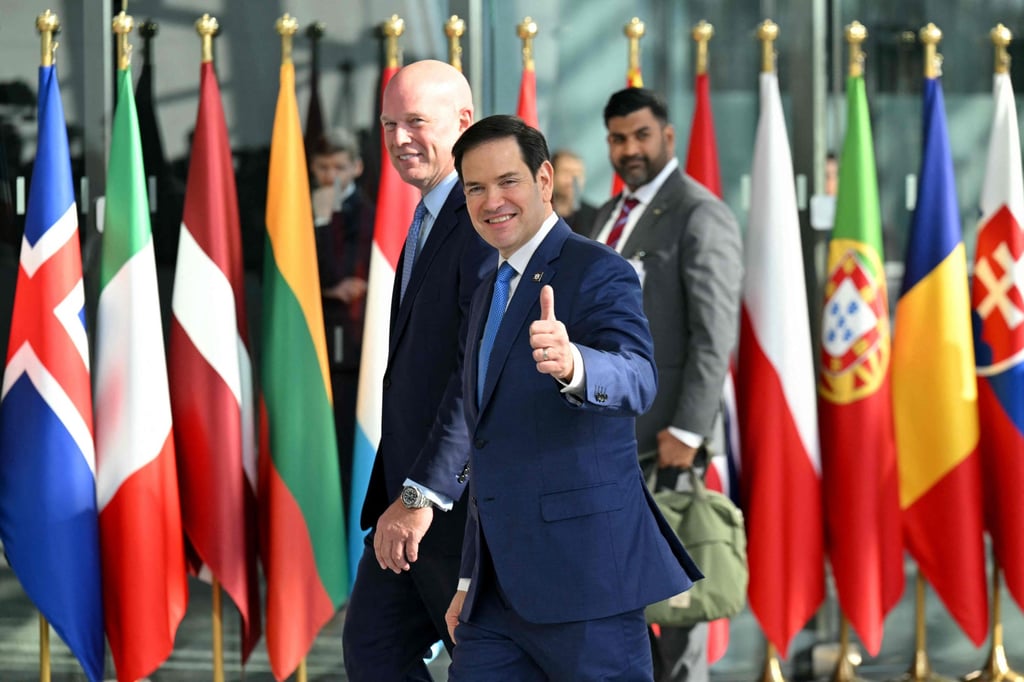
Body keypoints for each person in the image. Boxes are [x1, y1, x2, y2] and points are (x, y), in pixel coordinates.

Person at [444, 114, 702, 680]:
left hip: (586, 584)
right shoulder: (489, 285)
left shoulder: (597, 268)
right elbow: (486, 445)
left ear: (542, 181)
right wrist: (468, 578)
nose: (492, 201)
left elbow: (638, 375)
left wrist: (575, 364)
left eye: (507, 181)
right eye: (475, 188)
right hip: (494, 596)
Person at [341, 60, 493, 681]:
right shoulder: (428, 212)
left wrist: (422, 493)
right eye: (389, 124)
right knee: (373, 649)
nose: (400, 138)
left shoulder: (484, 217)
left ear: (463, 123)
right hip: (403, 504)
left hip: (456, 510)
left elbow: (473, 369)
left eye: (416, 122)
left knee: (484, 665)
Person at [591, 87, 743, 682]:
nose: (629, 149)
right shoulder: (609, 215)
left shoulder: (699, 213)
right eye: (618, 138)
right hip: (606, 441)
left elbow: (714, 335)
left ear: (668, 137)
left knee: (676, 613)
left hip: (666, 445)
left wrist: (687, 429)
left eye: (641, 136)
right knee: (618, 607)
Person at [308, 127, 375, 509]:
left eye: (339, 167)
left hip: (352, 346)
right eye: (323, 168)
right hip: (314, 339)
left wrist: (335, 286)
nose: (331, 177)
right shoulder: (305, 210)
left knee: (349, 444)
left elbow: (349, 272)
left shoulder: (367, 214)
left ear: (356, 168)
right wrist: (318, 220)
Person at [551, 148, 598, 234]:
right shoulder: (536, 211)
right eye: (566, 172)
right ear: (551, 175)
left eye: (578, 173)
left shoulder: (595, 216)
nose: (573, 179)